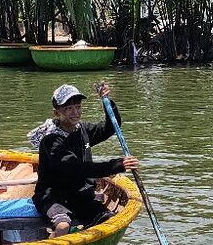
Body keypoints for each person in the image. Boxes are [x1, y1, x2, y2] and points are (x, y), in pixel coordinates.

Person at [32, 83, 139, 236]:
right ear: (57, 113)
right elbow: (79, 168)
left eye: (78, 107)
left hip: (80, 197)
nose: (75, 112)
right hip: (54, 197)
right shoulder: (51, 141)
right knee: (63, 226)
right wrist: (117, 165)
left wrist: (107, 101)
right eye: (68, 108)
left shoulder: (82, 129)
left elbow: (110, 128)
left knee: (110, 222)